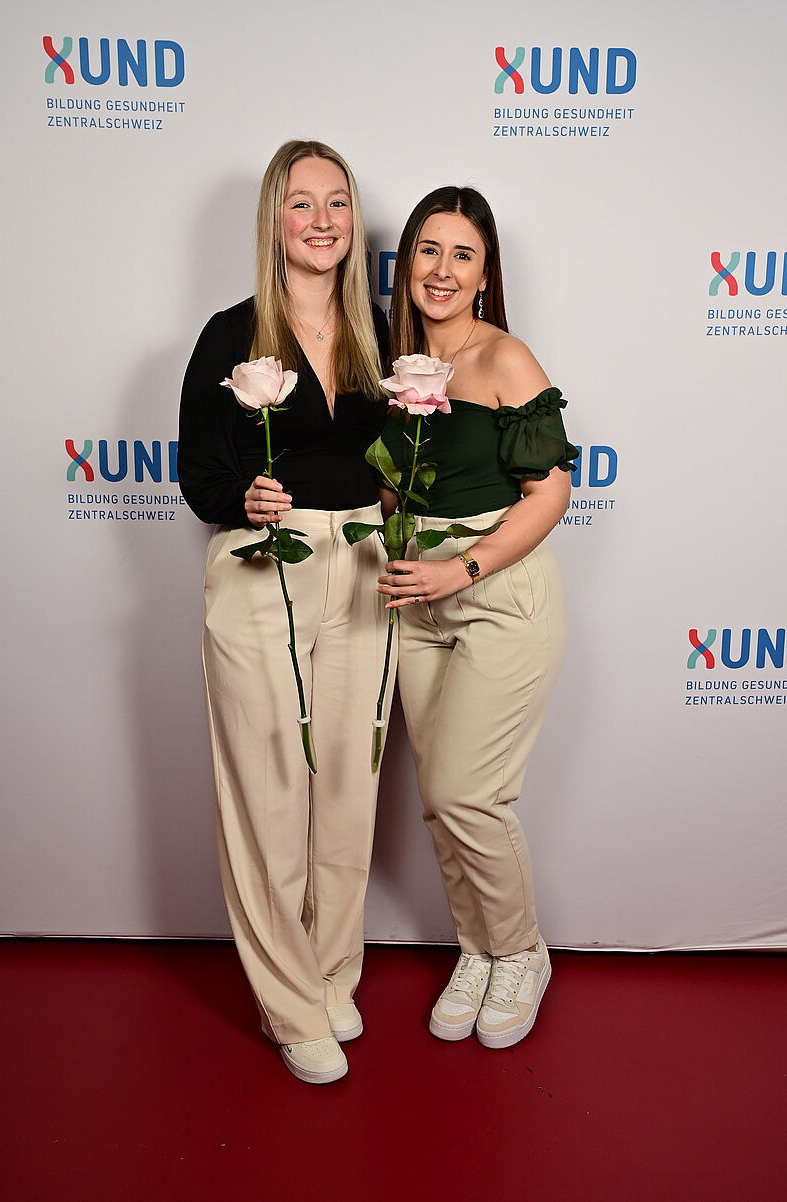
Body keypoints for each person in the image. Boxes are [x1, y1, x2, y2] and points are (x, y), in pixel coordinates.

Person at [178, 141, 392, 1085]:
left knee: (347, 784)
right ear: (274, 219)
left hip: (363, 564)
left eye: (337, 202)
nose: (321, 220)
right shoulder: (231, 334)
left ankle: (331, 971)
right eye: (301, 202)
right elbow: (198, 472)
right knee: (270, 790)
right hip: (264, 564)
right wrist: (246, 497)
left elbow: (388, 457)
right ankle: (289, 1003)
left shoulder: (376, 334)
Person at [377, 186, 577, 1048]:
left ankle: (522, 951)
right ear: (406, 264)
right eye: (429, 250)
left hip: (495, 596)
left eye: (462, 254)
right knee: (440, 800)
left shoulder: (505, 359)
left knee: (468, 791)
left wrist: (459, 568)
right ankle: (480, 949)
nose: (442, 270)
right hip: (417, 602)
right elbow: (392, 485)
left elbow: (551, 492)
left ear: (486, 273)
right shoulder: (395, 366)